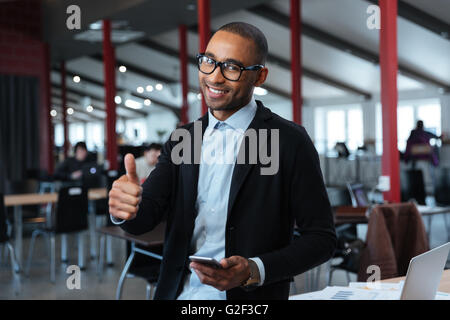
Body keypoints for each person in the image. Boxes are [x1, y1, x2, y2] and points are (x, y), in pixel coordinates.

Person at [108, 22, 336, 300]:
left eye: (232, 67)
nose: (215, 78)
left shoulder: (288, 141)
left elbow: (322, 239)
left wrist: (254, 269)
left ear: (260, 76)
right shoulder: (185, 139)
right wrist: (125, 210)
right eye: (209, 62)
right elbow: (146, 217)